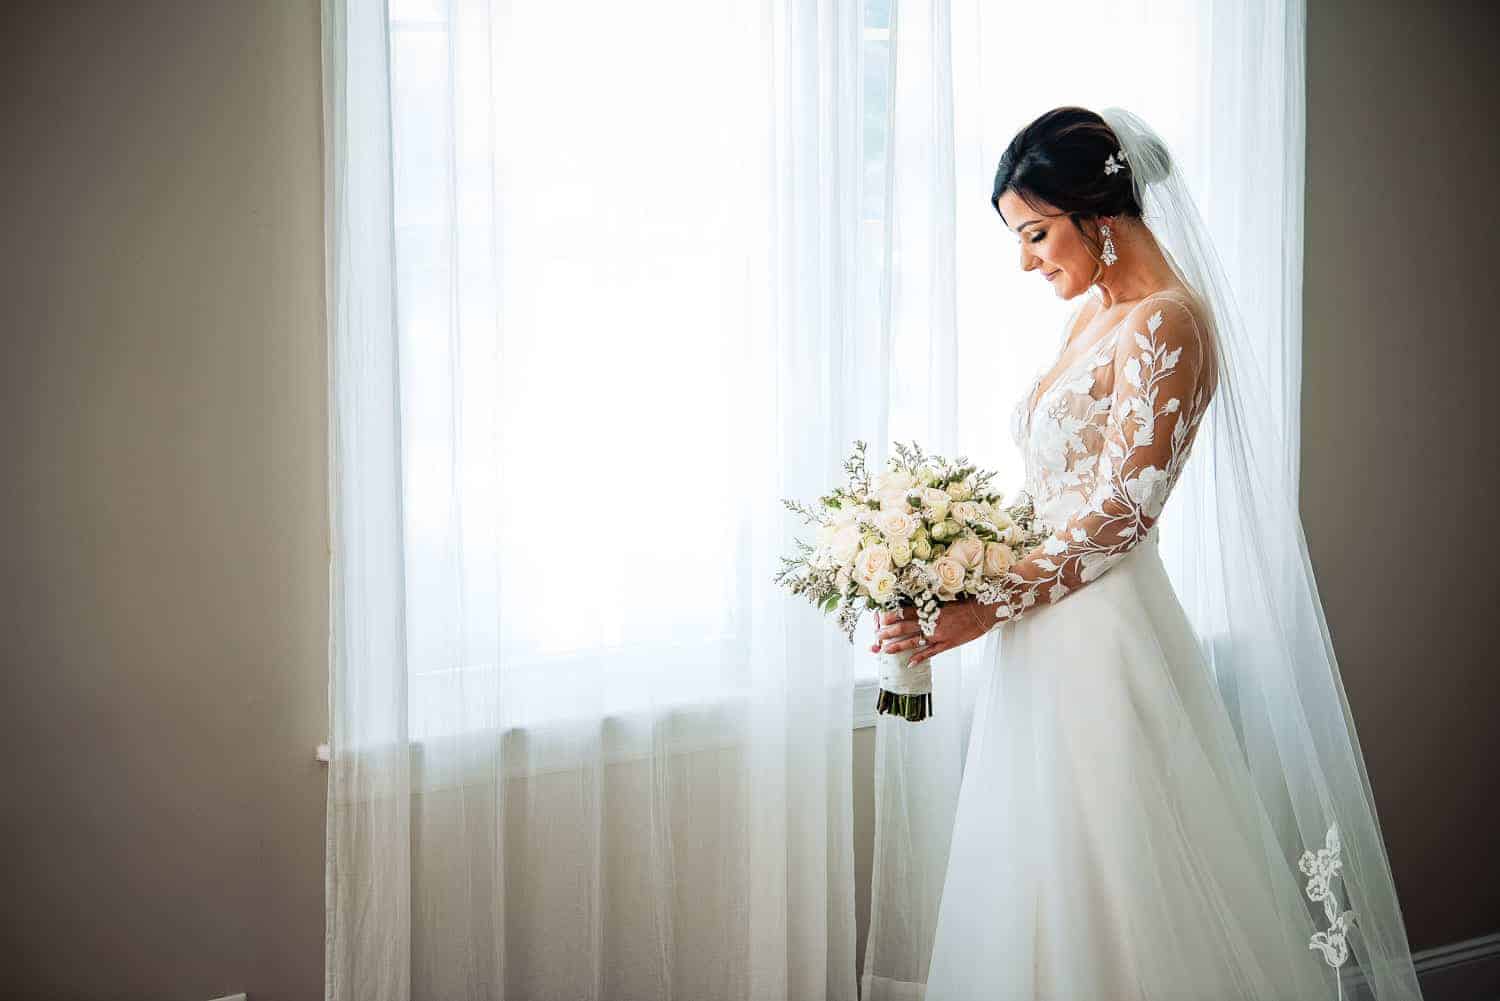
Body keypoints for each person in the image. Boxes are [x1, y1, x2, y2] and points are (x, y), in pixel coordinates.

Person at [871, 107, 1424, 999]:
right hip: (1043, 629)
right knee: (1040, 868)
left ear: (1100, 211)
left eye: (1037, 233)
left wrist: (987, 606)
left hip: (1105, 635)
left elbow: (1122, 513)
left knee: (1123, 876)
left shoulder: (1168, 323)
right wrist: (952, 569)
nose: (1027, 260)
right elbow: (1056, 495)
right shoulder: (1090, 317)